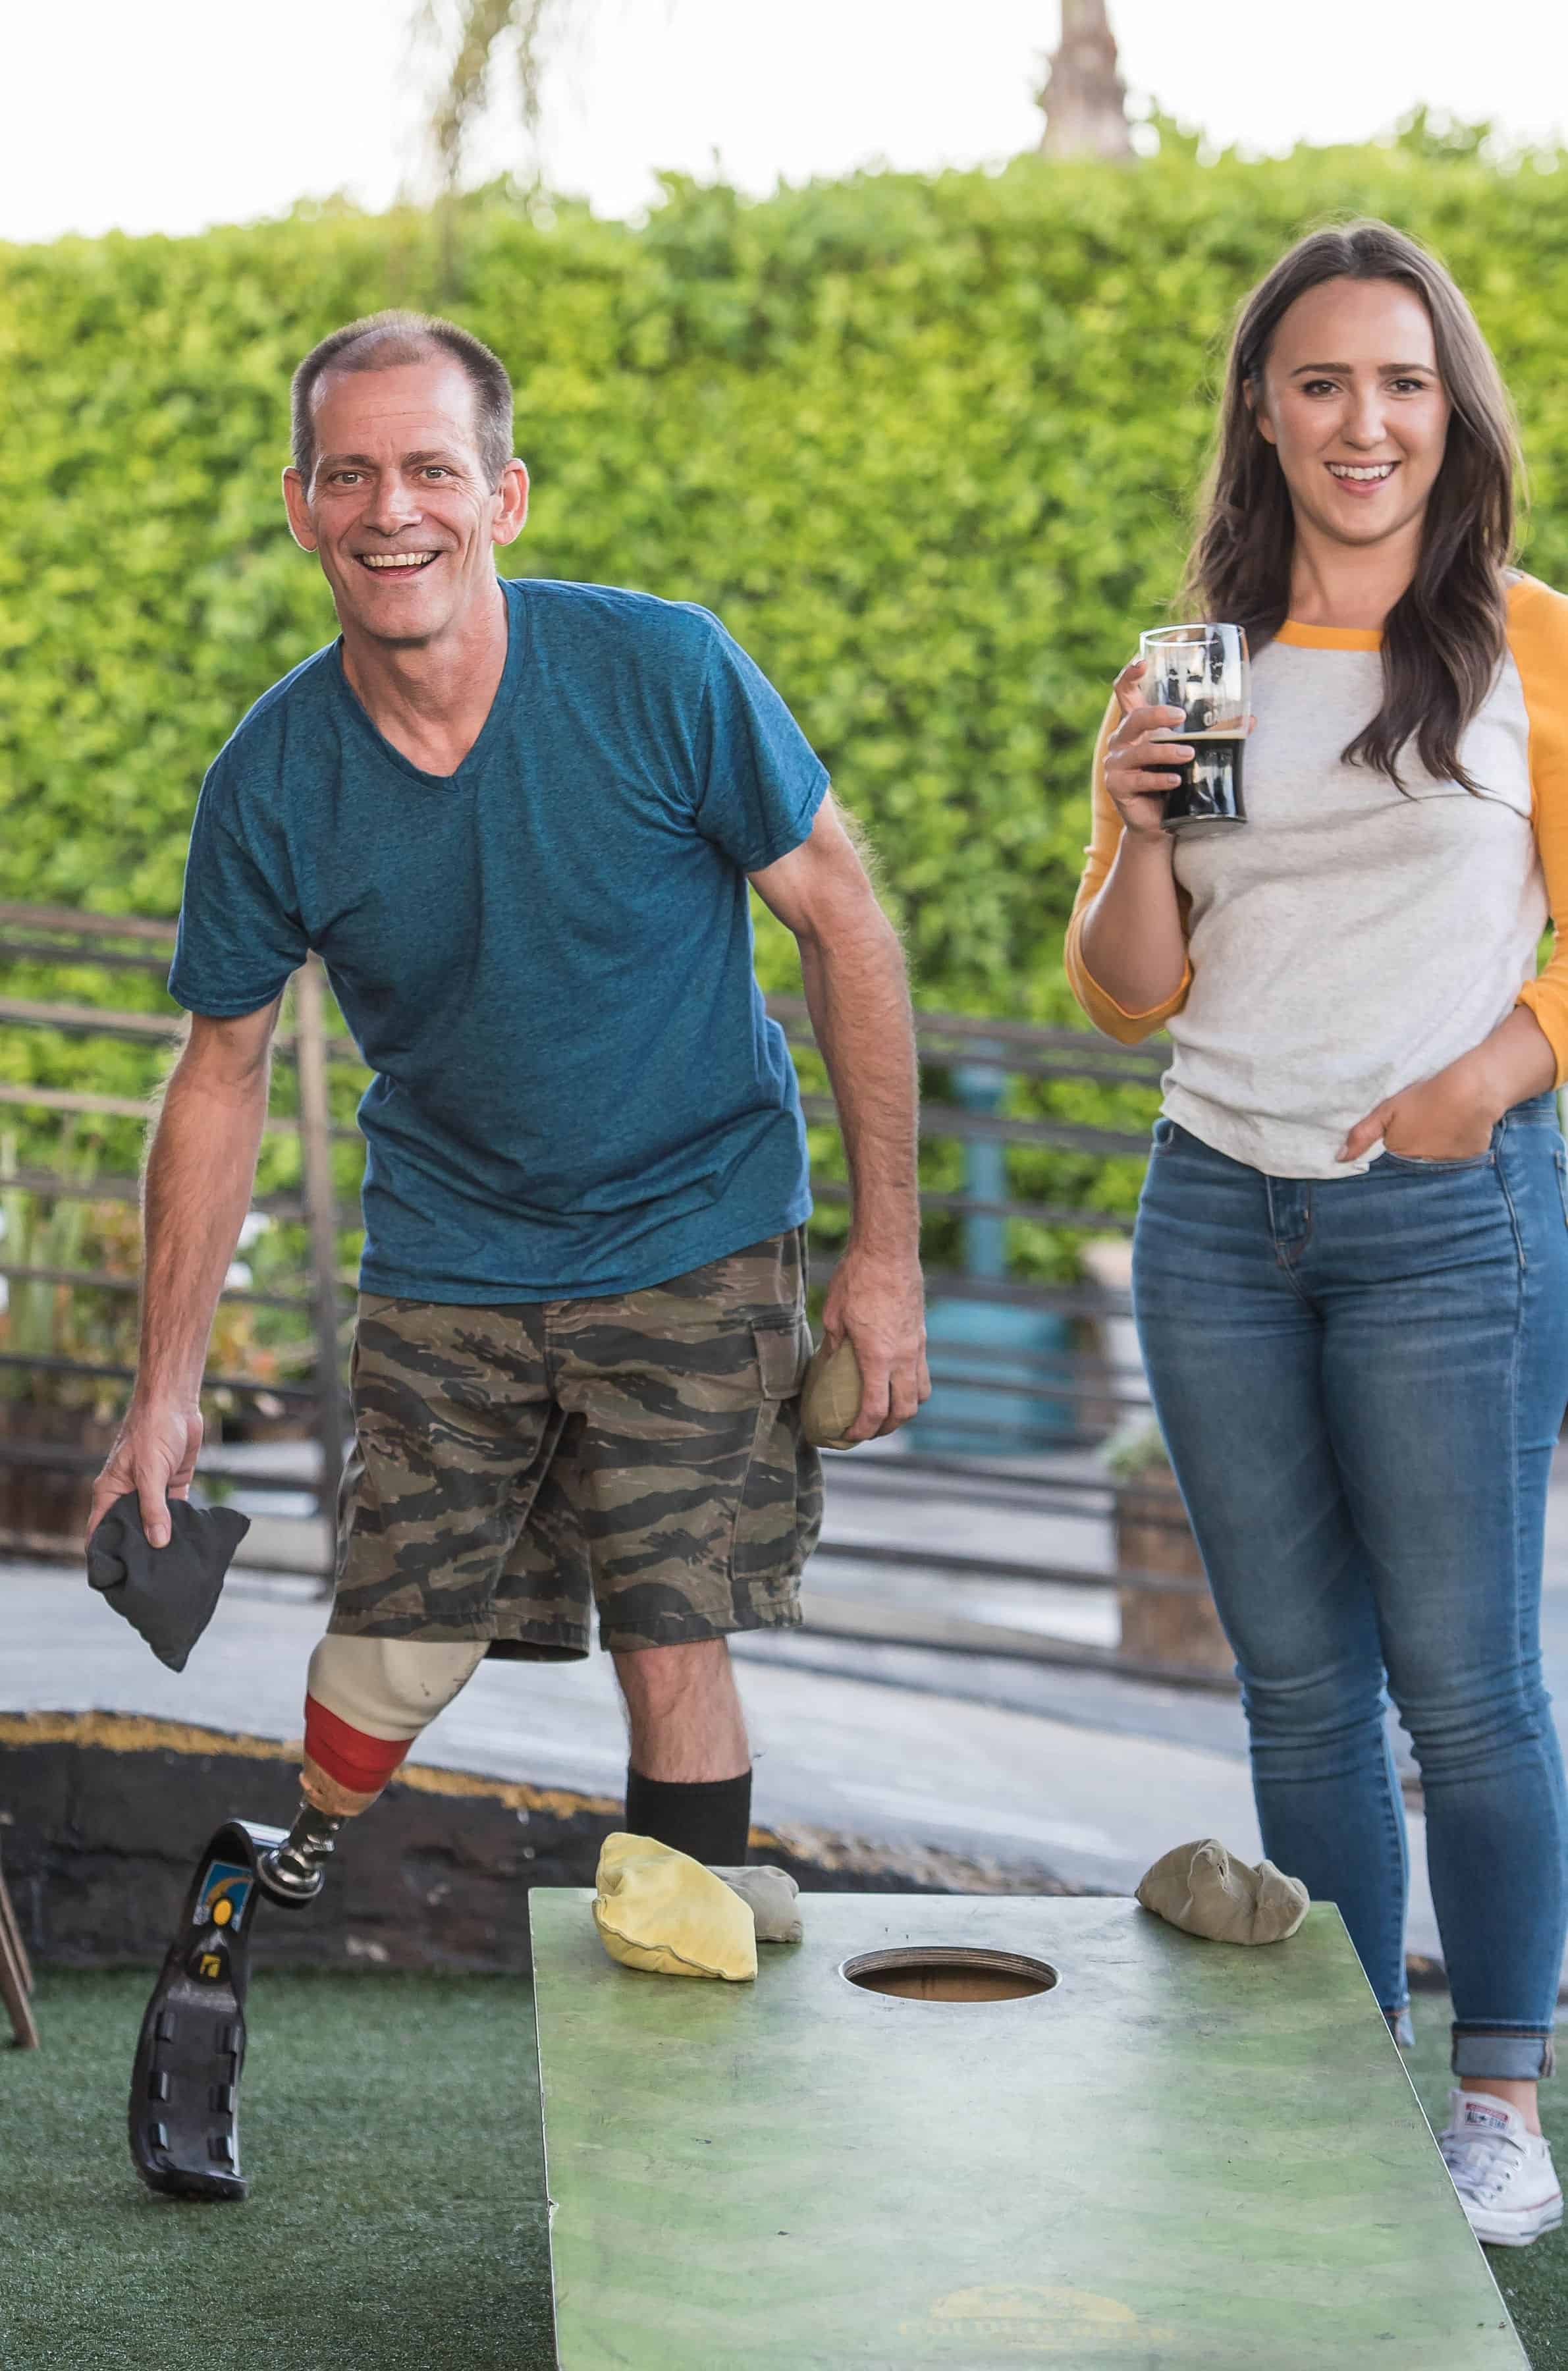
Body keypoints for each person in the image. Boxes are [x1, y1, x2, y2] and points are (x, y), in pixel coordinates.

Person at [92, 310, 929, 2190]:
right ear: (305, 507)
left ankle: (691, 2129)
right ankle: (262, 1880)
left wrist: (887, 1253)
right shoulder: (275, 777)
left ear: (504, 495)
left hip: (698, 1221)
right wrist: (163, 1392)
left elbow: (845, 920)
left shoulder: (661, 672)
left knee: (673, 1623)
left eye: (433, 469)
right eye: (353, 473)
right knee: (396, 1662)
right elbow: (220, 1077)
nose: (396, 509)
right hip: (453, 1252)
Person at [1066, 221, 1568, 2248]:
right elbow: (1127, 989)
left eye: (1403, 382)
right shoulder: (1190, 666)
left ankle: (1504, 2100)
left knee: (1467, 1684)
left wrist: (1495, 1078)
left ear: (1450, 412)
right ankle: (1348, 2077)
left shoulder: (1534, 641)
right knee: (1294, 1685)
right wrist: (1122, 824)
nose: (1365, 423)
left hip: (1450, 1217)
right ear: (1261, 416)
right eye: (1322, 383)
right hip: (1214, 1217)